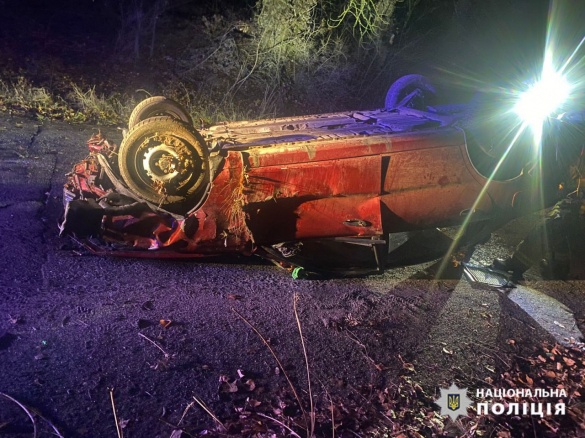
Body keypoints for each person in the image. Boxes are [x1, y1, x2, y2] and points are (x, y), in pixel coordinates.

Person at [493, 136, 585, 280]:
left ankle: (518, 263)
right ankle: (558, 267)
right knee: (562, 227)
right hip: (576, 201)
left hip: (579, 207)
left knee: (552, 224)